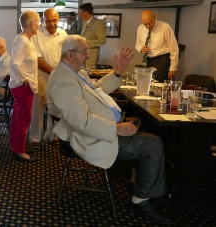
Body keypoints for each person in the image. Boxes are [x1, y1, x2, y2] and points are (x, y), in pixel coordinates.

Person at [47, 35, 170, 224]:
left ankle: (141, 184)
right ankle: (141, 200)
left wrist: (118, 70)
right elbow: (82, 122)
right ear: (71, 54)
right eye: (84, 51)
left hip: (98, 129)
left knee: (144, 126)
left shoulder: (74, 72)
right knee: (152, 144)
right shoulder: (63, 80)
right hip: (88, 138)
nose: (88, 56)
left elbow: (97, 89)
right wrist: (116, 128)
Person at [30, 8, 68, 146]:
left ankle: (53, 135)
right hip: (42, 76)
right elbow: (37, 59)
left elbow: (67, 55)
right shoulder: (37, 35)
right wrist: (54, 73)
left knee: (57, 107)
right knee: (39, 108)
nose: (51, 24)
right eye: (48, 21)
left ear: (58, 19)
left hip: (59, 78)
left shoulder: (63, 34)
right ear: (43, 20)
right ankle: (35, 137)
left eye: (54, 20)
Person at [9, 10, 40, 162]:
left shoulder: (27, 40)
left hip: (24, 85)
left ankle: (16, 146)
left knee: (18, 117)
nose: (39, 24)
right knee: (23, 119)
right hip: (23, 86)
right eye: (37, 22)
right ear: (30, 24)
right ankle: (20, 151)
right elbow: (15, 63)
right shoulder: (23, 41)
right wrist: (24, 80)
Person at [135, 10, 179, 82]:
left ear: (155, 18)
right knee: (147, 83)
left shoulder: (165, 27)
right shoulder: (140, 28)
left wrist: (173, 68)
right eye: (145, 24)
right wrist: (141, 49)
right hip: (147, 60)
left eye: (150, 23)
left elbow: (174, 49)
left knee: (157, 83)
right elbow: (137, 44)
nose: (148, 26)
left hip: (162, 60)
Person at [78, 3, 106, 68]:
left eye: (80, 13)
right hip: (84, 55)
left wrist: (85, 42)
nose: (79, 15)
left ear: (86, 12)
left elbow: (102, 41)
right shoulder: (86, 22)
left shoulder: (98, 23)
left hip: (91, 57)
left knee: (88, 76)